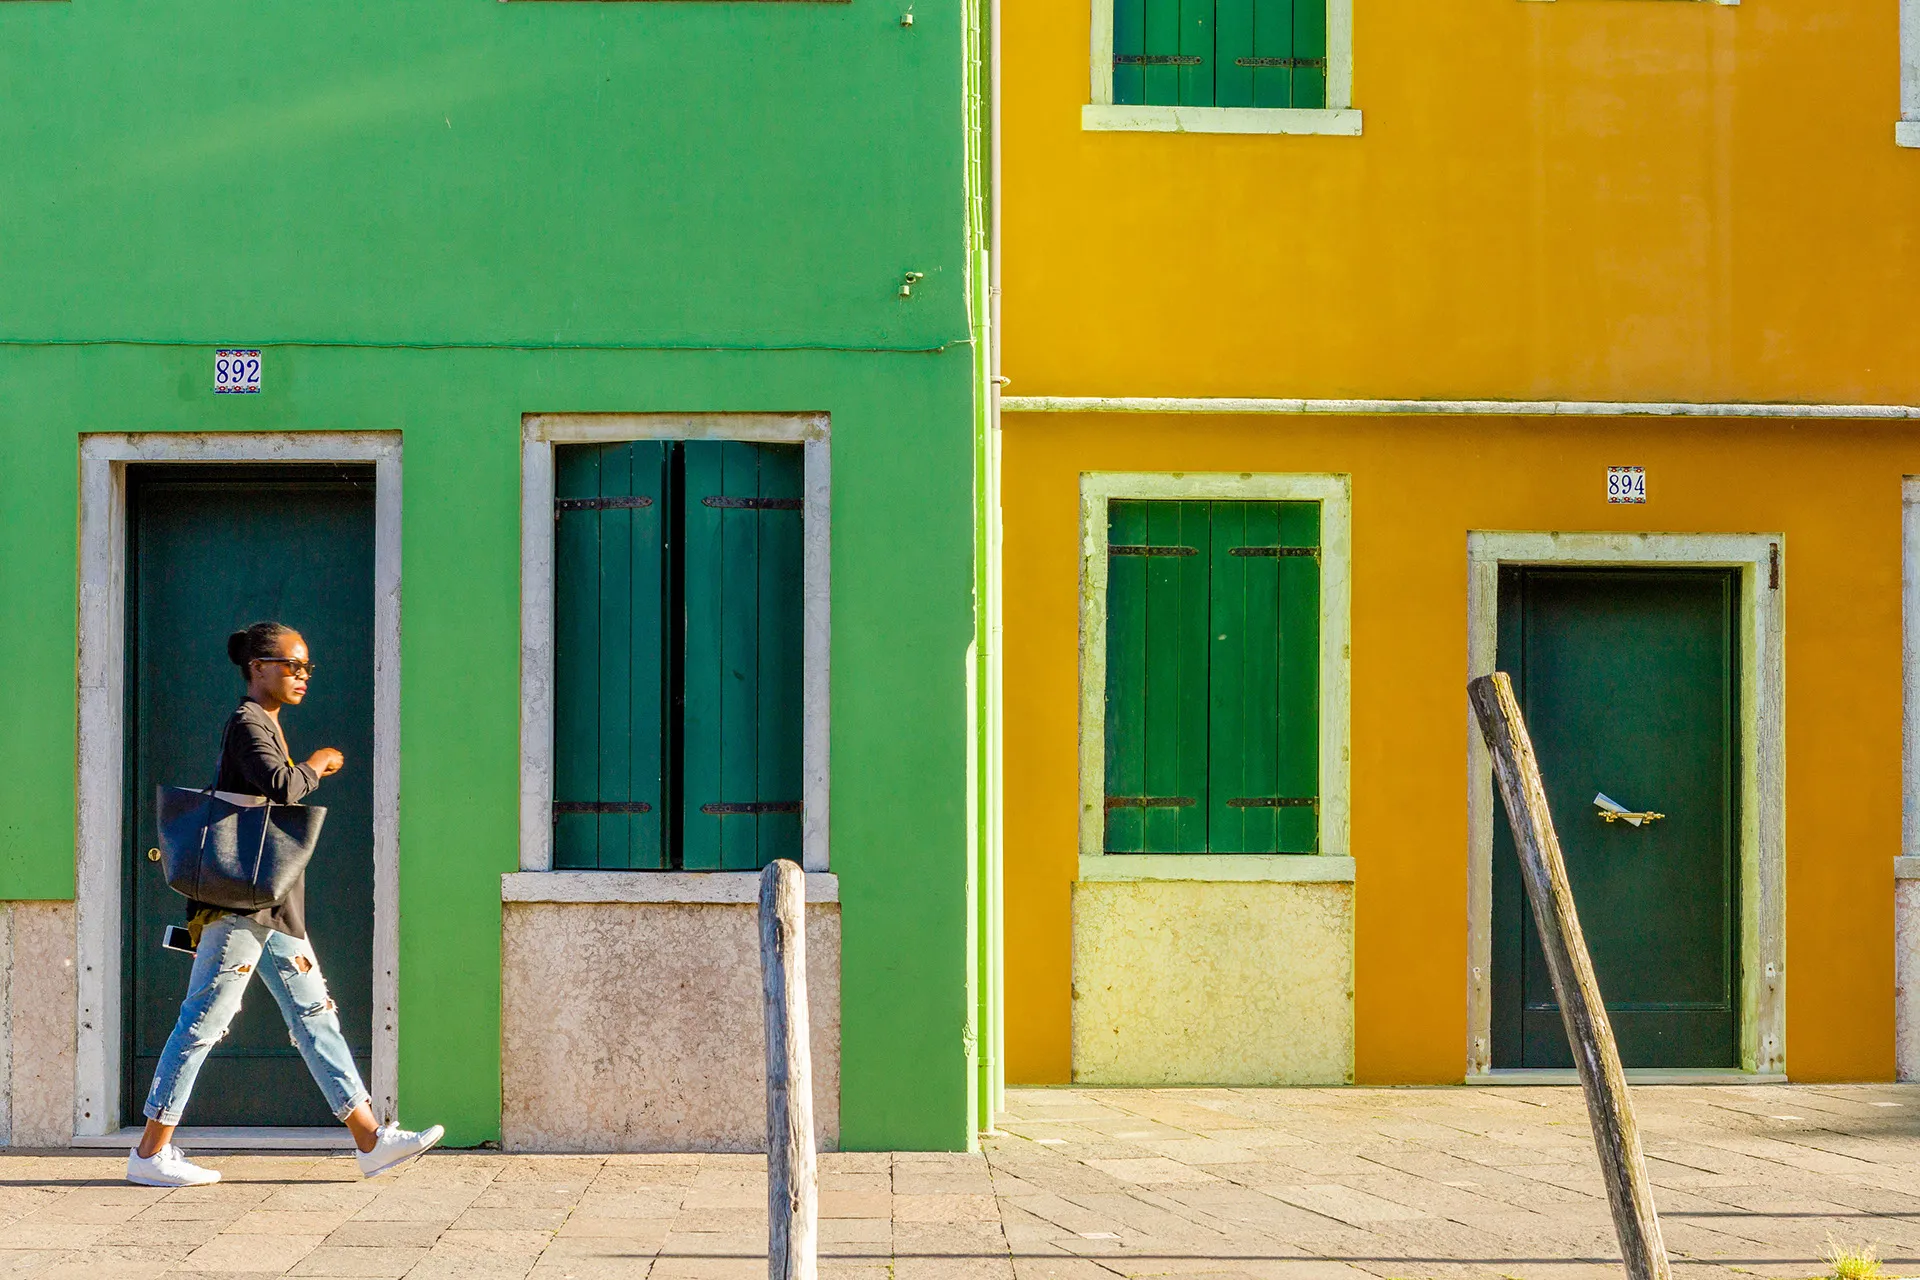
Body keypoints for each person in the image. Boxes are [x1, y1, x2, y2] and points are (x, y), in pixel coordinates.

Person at [128, 621, 443, 1188]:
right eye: (290, 665)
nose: (301, 676)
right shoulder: (249, 723)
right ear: (257, 666)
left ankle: (370, 1140)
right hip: (244, 910)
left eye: (306, 667)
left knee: (315, 1018)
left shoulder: (265, 722)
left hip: (274, 906)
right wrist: (320, 762)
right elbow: (283, 788)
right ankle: (150, 1153)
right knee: (202, 1021)